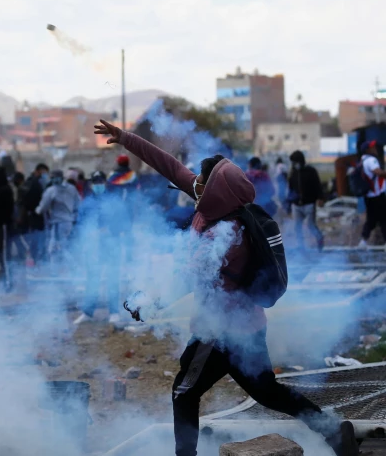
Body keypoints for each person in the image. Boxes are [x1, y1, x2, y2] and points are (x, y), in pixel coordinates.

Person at [93, 119, 359, 456]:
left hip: (218, 333)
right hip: (247, 328)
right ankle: (333, 432)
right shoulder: (215, 203)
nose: (194, 184)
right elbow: (171, 167)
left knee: (184, 392)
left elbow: (188, 278)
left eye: (201, 181)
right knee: (266, 391)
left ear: (215, 189)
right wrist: (126, 138)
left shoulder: (229, 234)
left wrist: (147, 301)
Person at [73, 171, 121, 325]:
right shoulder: (86, 203)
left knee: (112, 278)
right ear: (91, 184)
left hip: (111, 245)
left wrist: (110, 230)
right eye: (95, 181)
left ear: (105, 183)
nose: (98, 184)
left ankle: (114, 312)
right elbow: (79, 224)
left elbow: (123, 221)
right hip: (93, 246)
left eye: (101, 181)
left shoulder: (114, 201)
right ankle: (88, 312)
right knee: (92, 278)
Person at [36, 169, 80, 265]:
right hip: (69, 222)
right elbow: (78, 203)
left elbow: (43, 207)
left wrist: (36, 210)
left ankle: (69, 267)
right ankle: (66, 268)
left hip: (58, 223)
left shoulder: (51, 190)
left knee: (55, 247)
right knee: (62, 246)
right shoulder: (72, 188)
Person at [288, 150, 325, 251]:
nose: (294, 164)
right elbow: (290, 189)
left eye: (295, 162)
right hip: (296, 205)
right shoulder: (293, 173)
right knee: (297, 227)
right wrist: (289, 204)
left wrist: (321, 198)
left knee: (311, 225)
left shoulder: (311, 171)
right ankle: (301, 246)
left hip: (309, 204)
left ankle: (319, 239)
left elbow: (318, 186)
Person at [357, 140, 386, 249]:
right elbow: (378, 172)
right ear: (368, 150)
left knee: (372, 220)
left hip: (369, 196)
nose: (375, 148)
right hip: (377, 195)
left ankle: (363, 242)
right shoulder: (371, 160)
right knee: (383, 219)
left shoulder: (362, 161)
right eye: (372, 147)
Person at [21, 164, 50, 263]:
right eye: (43, 172)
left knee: (37, 239)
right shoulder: (33, 183)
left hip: (37, 215)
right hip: (35, 215)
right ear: (37, 171)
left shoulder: (36, 182)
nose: (45, 175)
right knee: (36, 240)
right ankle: (38, 260)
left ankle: (38, 259)